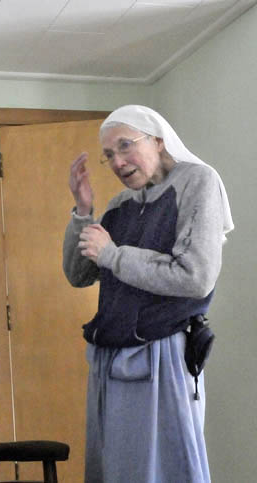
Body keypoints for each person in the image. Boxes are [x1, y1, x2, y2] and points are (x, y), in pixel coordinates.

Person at [63, 105, 233, 483]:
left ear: (157, 140)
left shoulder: (198, 182)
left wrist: (114, 255)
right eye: (108, 155)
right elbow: (79, 274)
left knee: (163, 470)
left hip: (163, 354)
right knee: (115, 470)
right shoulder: (120, 205)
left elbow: (195, 277)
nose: (117, 161)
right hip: (110, 355)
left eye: (125, 146)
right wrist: (83, 210)